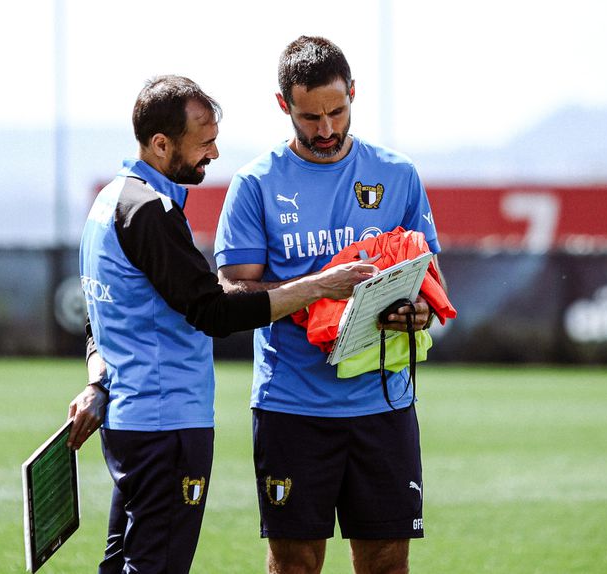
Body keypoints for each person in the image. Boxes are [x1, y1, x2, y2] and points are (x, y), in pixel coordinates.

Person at [66, 74, 379, 574]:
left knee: (124, 565)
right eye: (203, 144)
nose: (213, 155)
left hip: (132, 419)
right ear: (162, 143)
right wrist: (319, 285)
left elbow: (97, 317)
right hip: (166, 423)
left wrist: (97, 379)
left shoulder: (110, 201)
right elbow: (215, 311)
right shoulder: (151, 211)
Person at [213, 36, 447, 574]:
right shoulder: (256, 183)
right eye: (309, 116)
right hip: (291, 408)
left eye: (337, 111)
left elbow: (429, 283)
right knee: (294, 564)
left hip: (383, 406)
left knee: (387, 562)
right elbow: (232, 297)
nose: (326, 129)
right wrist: (319, 286)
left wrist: (418, 312)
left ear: (353, 95)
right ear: (283, 106)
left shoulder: (398, 175)